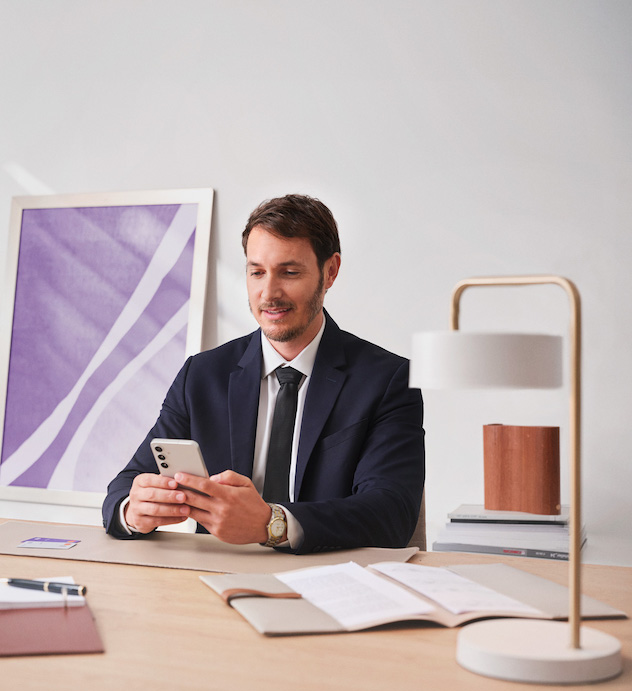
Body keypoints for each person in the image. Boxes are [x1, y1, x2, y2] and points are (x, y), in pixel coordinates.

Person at [101, 194, 424, 553]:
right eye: (256, 272)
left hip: (330, 584)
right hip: (215, 584)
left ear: (330, 271)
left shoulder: (387, 380)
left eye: (289, 272)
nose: (268, 293)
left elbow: (391, 514)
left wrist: (271, 523)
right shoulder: (203, 375)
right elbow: (125, 486)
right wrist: (134, 510)